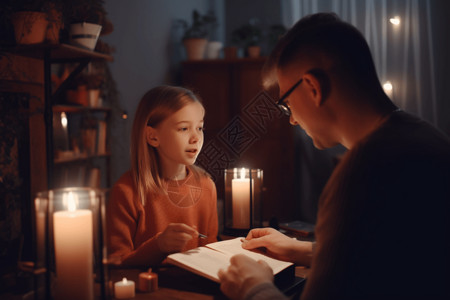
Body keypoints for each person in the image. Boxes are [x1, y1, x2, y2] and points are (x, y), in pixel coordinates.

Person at [218, 12, 450, 300]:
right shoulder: (424, 136)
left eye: (287, 105)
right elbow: (391, 257)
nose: (291, 121)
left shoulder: (364, 171)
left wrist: (253, 287)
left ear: (313, 87)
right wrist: (304, 250)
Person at [107, 85, 218, 266]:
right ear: (152, 137)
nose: (196, 138)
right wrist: (159, 246)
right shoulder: (126, 191)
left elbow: (210, 250)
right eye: (184, 129)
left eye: (200, 128)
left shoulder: (206, 186)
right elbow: (116, 262)